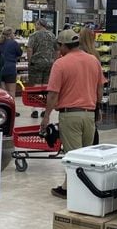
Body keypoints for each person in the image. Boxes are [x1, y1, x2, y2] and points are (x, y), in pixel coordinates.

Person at [41, 29, 105, 198]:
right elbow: (100, 87)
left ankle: (74, 191)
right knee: (86, 155)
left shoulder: (60, 64)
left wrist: (46, 116)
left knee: (73, 156)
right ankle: (75, 187)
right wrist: (98, 109)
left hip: (70, 116)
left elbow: (53, 93)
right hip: (89, 114)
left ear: (63, 45)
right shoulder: (93, 60)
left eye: (59, 45)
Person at [26, 20, 59, 118]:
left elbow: (29, 49)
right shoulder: (52, 36)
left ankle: (35, 109)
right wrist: (55, 61)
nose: (35, 26)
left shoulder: (34, 35)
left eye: (36, 24)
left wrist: (30, 60)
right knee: (46, 87)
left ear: (40, 25)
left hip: (36, 63)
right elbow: (57, 50)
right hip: (49, 63)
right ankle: (44, 109)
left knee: (35, 86)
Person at [80, 27, 102, 145]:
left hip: (78, 98)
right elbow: (99, 82)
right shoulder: (95, 55)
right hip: (91, 98)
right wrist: (99, 105)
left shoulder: (75, 54)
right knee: (92, 129)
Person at [0, 28, 23, 114]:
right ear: (11, 34)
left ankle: (4, 111)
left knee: (3, 92)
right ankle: (12, 111)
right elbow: (20, 53)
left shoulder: (0, 43)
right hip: (10, 69)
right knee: (11, 92)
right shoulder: (14, 43)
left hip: (0, 69)